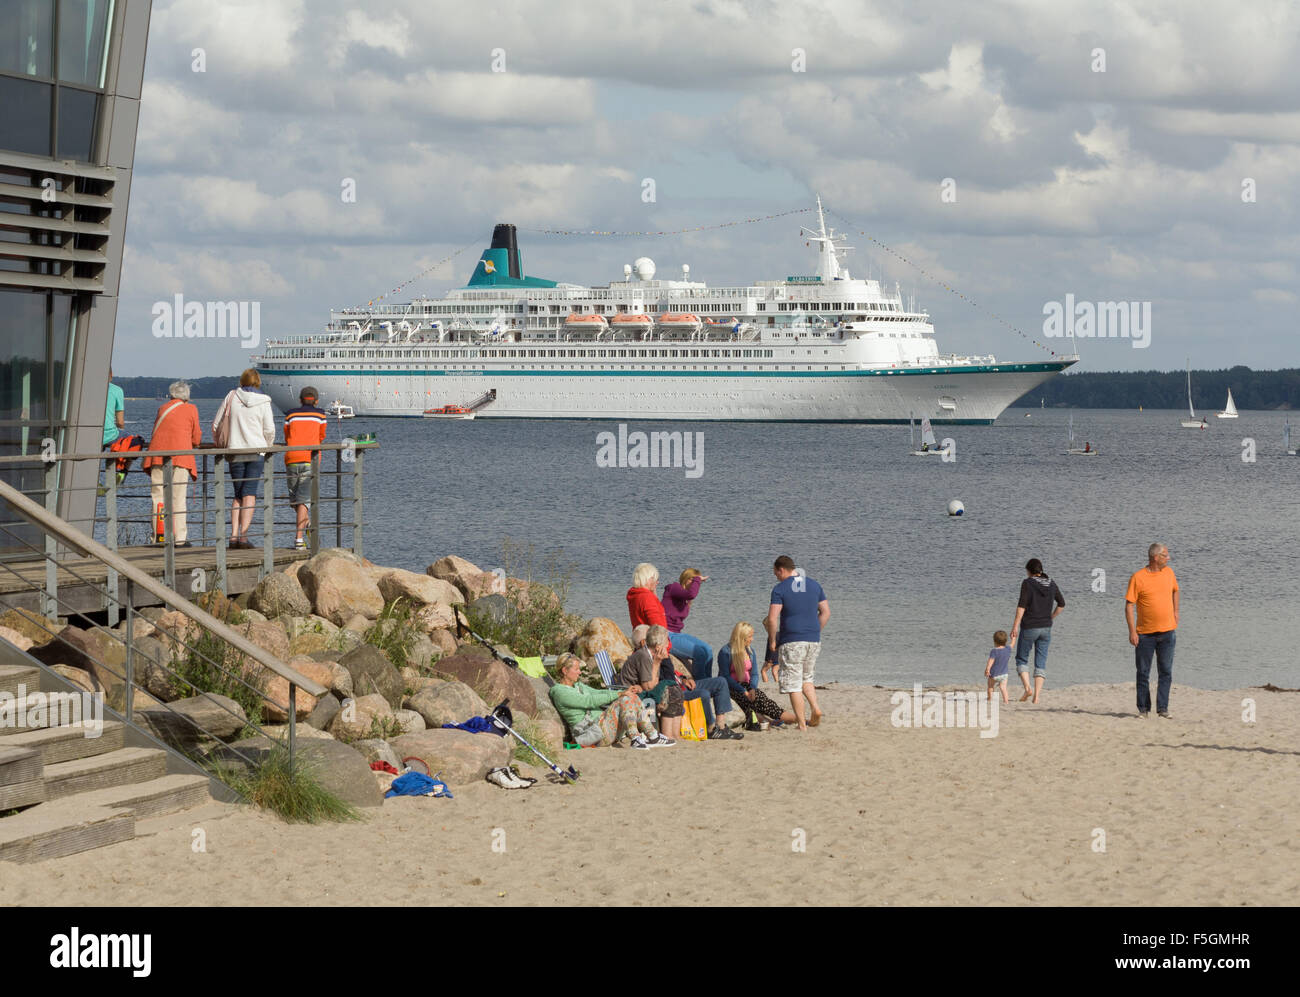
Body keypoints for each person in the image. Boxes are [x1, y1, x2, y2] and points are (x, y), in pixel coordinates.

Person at [628, 562, 739, 738]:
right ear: (648, 579)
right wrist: (697, 580)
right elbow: (659, 625)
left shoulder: (640, 596)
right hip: (666, 642)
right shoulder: (665, 592)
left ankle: (720, 726)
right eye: (655, 580)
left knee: (718, 677)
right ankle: (712, 728)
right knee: (703, 650)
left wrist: (683, 677)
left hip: (670, 658)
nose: (657, 583)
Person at [550, 652, 671, 748]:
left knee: (631, 696)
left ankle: (652, 735)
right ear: (565, 671)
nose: (579, 672)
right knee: (624, 700)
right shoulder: (560, 692)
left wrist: (623, 692)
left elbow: (598, 692)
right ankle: (637, 738)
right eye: (576, 669)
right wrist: (619, 694)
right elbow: (588, 701)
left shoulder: (578, 686)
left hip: (602, 725)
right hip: (593, 733)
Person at [764, 555, 829, 730]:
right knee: (806, 678)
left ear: (781, 569)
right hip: (813, 640)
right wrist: (815, 630)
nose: (776, 577)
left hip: (791, 641)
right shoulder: (814, 585)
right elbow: (825, 612)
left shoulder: (780, 589)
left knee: (793, 684)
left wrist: (772, 640)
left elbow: (772, 619)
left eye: (776, 573)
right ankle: (815, 708)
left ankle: (802, 724)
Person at [214, 369, 276, 549]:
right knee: (249, 494)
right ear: (258, 382)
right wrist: (268, 446)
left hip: (234, 450)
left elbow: (217, 424)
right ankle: (243, 536)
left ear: (242, 380)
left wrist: (221, 443)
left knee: (238, 494)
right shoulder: (264, 401)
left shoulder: (231, 396)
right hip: (256, 451)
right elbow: (269, 429)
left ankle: (233, 536)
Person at [141, 381, 201, 547]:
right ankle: (179, 538)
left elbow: (155, 431)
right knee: (178, 498)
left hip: (157, 455)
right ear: (186, 395)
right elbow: (196, 438)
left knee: (158, 497)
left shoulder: (162, 408)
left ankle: (159, 536)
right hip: (181, 457)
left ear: (172, 394)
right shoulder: (191, 409)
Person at [1125, 543, 1179, 719]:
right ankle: (1143, 709)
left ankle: (1163, 708)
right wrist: (1132, 631)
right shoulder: (1138, 577)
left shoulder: (1169, 573)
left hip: (1167, 632)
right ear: (1156, 557)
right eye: (1166, 555)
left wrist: (1176, 612)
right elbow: (1129, 605)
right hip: (1145, 634)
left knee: (1166, 671)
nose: (1168, 558)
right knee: (1143, 672)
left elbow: (1175, 591)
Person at [717, 621, 796, 729]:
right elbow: (725, 676)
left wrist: (753, 688)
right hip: (731, 687)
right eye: (750, 636)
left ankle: (798, 719)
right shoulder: (725, 652)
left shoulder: (750, 651)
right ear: (742, 637)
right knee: (746, 702)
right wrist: (743, 691)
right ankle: (767, 722)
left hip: (747, 686)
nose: (752, 639)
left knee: (763, 699)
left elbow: (754, 674)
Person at [1009, 558, 1065, 704]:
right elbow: (1062, 604)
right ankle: (1037, 696)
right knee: (1041, 662)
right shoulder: (1051, 583)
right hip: (1046, 628)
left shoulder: (1027, 583)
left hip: (1029, 627)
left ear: (1029, 571)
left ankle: (1028, 688)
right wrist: (1051, 617)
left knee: (1021, 658)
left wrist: (1015, 625)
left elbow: (1021, 606)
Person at [619, 625, 683, 741]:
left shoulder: (650, 655)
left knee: (675, 690)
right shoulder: (644, 656)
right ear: (658, 647)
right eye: (666, 643)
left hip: (641, 689)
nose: (668, 645)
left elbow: (653, 682)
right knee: (671, 693)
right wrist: (657, 662)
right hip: (631, 694)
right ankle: (667, 734)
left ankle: (675, 735)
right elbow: (649, 686)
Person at [283, 386, 328, 549]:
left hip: (291, 458)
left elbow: (287, 435)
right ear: (316, 400)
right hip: (310, 459)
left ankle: (306, 524)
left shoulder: (291, 414)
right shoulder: (320, 415)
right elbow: (322, 435)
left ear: (300, 399)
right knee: (302, 501)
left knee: (295, 501)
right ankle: (299, 539)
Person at [661, 567, 713, 679]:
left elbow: (690, 596)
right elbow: (691, 594)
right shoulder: (673, 588)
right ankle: (701, 683)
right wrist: (698, 579)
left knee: (708, 650)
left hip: (677, 633)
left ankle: (708, 681)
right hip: (666, 634)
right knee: (699, 652)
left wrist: (688, 604)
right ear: (687, 579)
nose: (696, 584)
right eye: (693, 580)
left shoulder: (684, 599)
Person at [985, 630, 1012, 704]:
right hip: (1004, 674)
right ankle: (1006, 701)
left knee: (990, 686)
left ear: (995, 641)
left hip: (994, 674)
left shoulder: (994, 651)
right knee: (1003, 688)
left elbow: (990, 661)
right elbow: (1012, 644)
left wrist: (987, 669)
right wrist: (1014, 637)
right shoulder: (1008, 649)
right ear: (1005, 641)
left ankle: (990, 698)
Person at [102, 368, 125, 448]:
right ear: (111, 375)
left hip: (89, 434)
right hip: (109, 435)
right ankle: (112, 460)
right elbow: (120, 422)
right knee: (135, 442)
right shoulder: (117, 390)